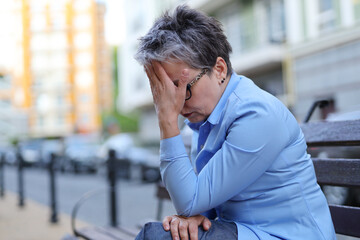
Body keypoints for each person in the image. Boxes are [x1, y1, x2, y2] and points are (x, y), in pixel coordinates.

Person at [134, 5, 336, 240]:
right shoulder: (206, 119)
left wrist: (166, 121)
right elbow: (194, 207)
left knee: (155, 236)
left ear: (219, 69)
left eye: (183, 88)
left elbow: (189, 201)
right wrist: (188, 219)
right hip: (244, 231)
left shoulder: (257, 115)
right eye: (167, 93)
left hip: (288, 236)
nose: (176, 105)